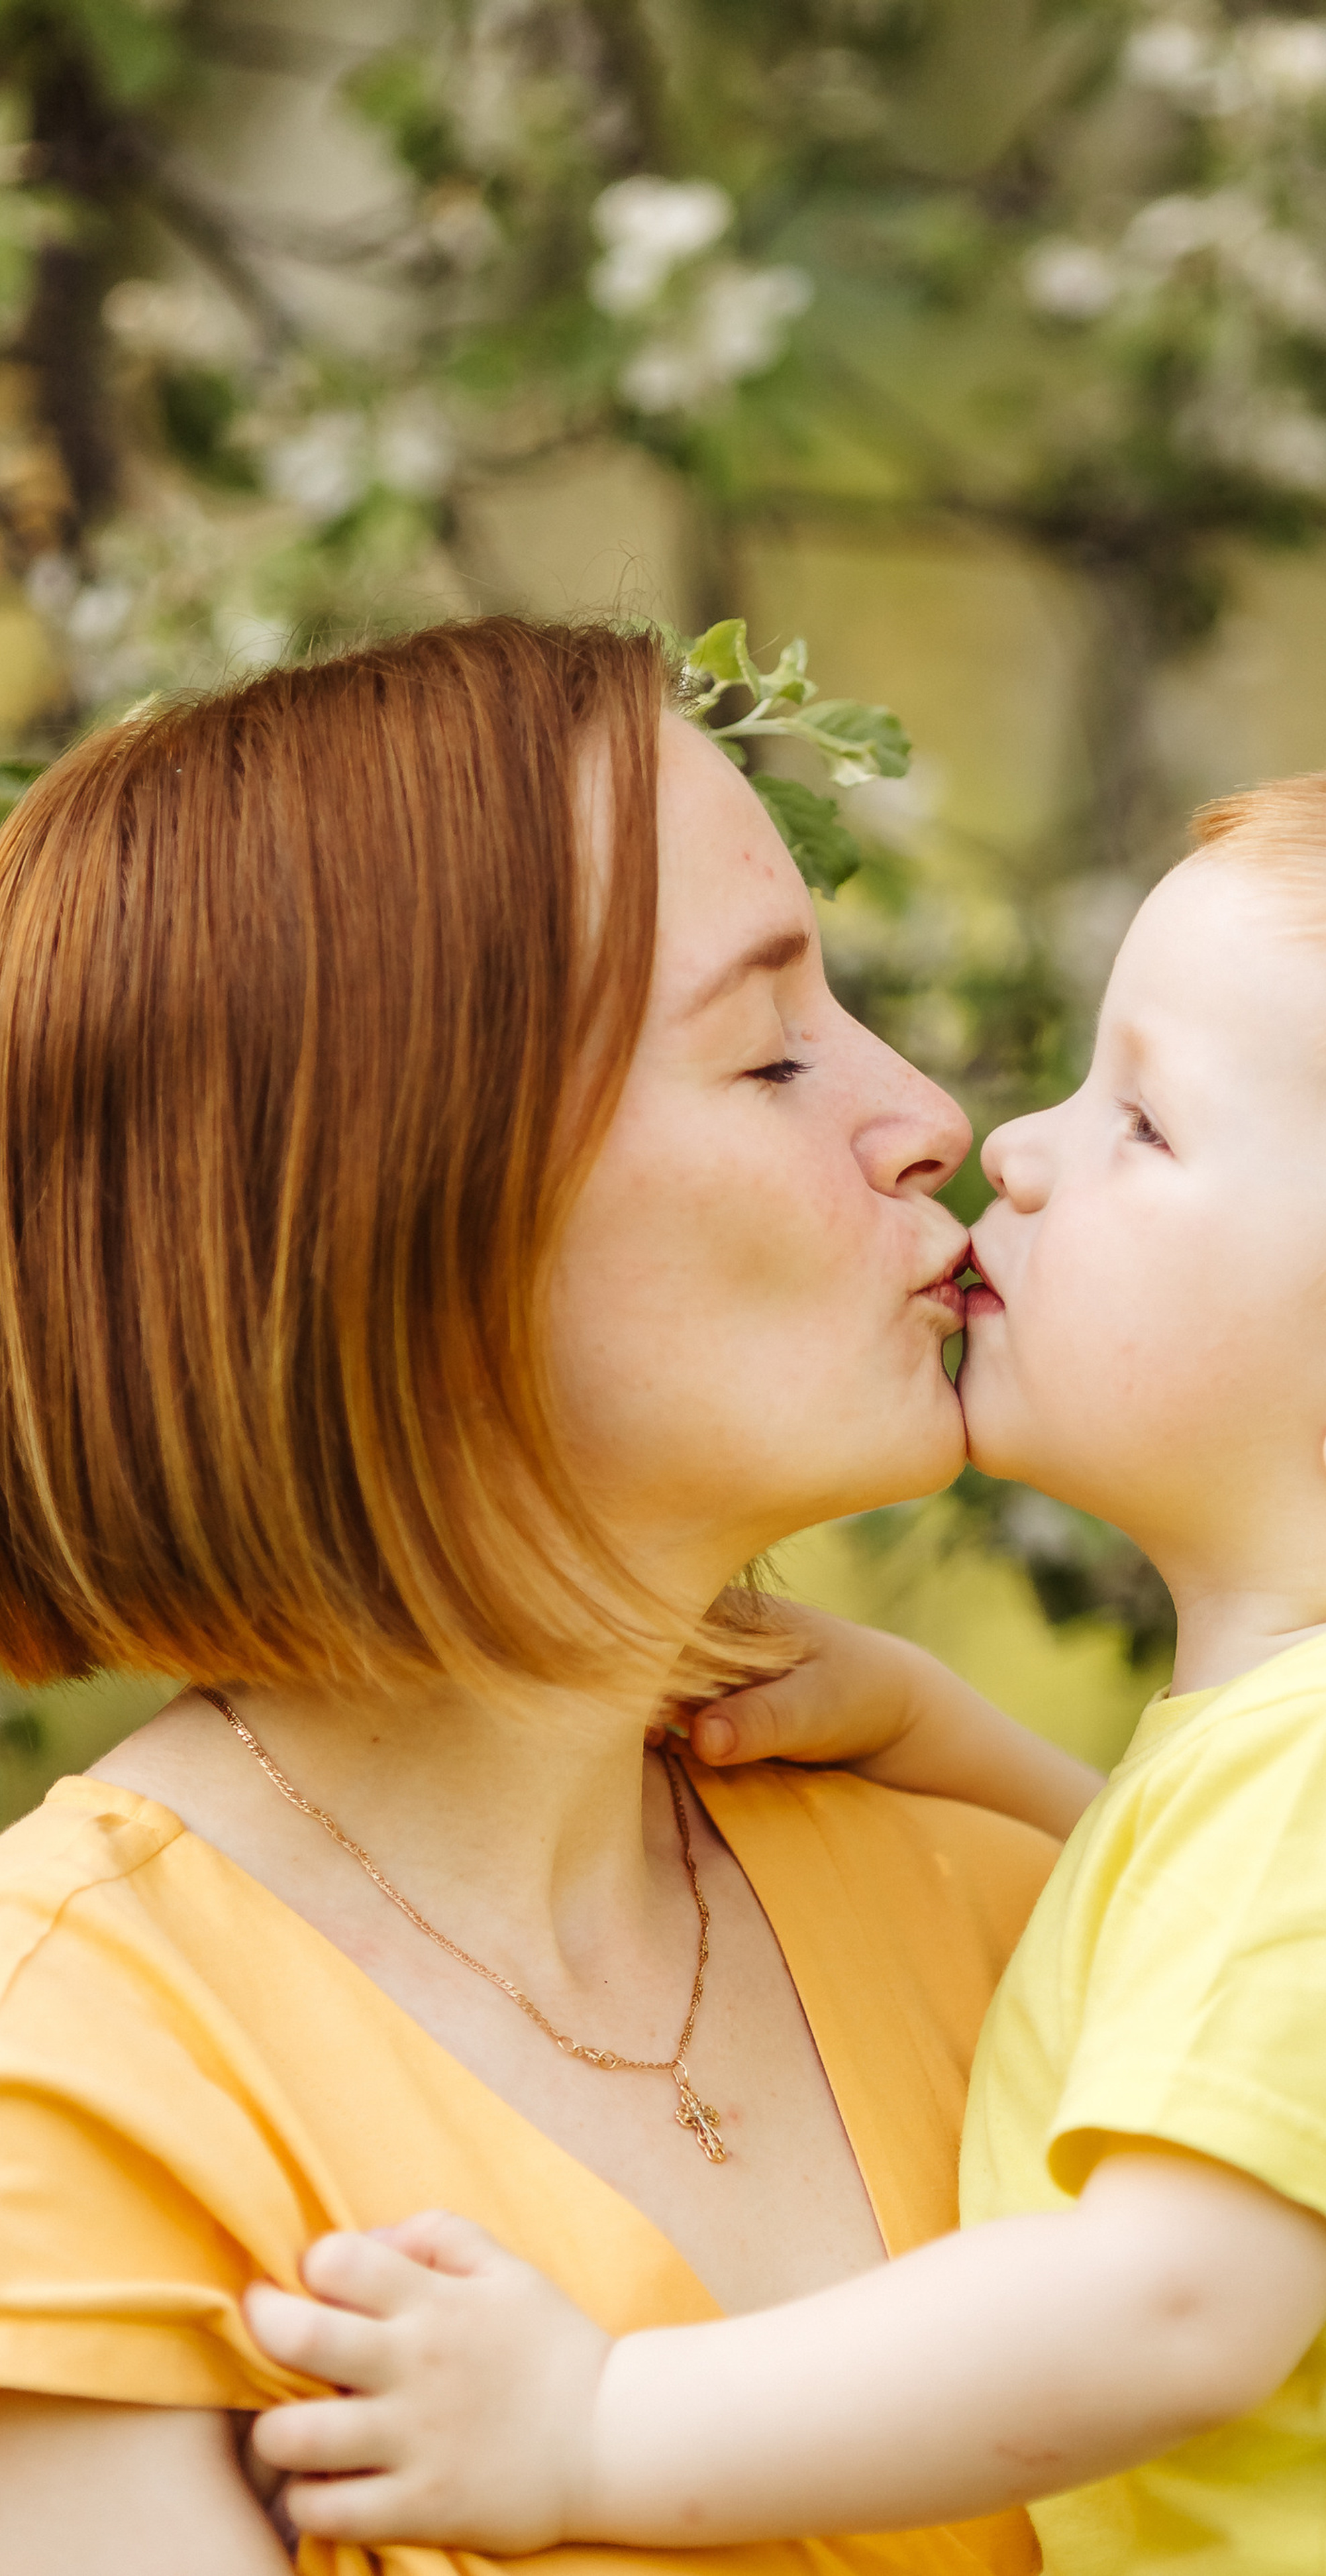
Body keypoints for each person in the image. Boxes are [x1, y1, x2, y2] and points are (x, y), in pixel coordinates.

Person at [245, 739, 1326, 2573]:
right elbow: (1241, 1961)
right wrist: (954, 1734)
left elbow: (1169, 2309)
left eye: (1144, 1123)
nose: (1010, 1145)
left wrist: (597, 2431)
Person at [0, 615, 1096, 2576]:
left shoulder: (995, 1889)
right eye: (767, 1049)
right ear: (397, 1215)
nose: (934, 1111)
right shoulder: (74, 2082)